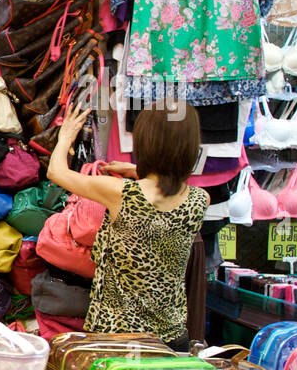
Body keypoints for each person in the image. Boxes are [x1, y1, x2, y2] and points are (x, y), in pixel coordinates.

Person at [46, 103, 208, 352]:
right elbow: (163, 189)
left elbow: (56, 172)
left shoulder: (121, 194)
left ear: (145, 145)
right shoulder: (200, 200)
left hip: (118, 340)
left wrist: (65, 136)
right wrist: (134, 171)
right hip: (172, 339)